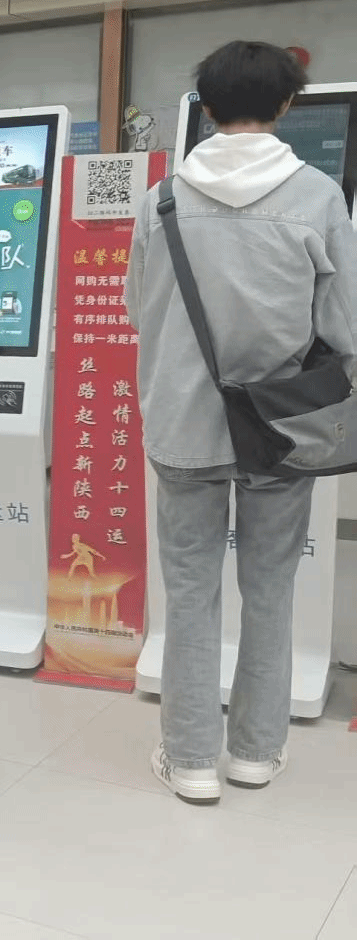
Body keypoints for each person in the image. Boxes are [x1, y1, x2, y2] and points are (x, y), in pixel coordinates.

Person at [125, 40, 357, 804]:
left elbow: (139, 311)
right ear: (287, 105)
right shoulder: (319, 197)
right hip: (283, 428)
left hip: (181, 424)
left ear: (208, 107)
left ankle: (191, 758)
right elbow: (346, 326)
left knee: (190, 592)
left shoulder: (161, 201)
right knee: (271, 587)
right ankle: (256, 751)